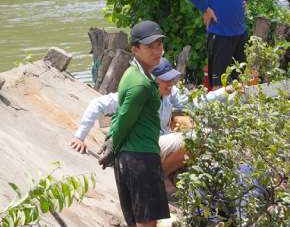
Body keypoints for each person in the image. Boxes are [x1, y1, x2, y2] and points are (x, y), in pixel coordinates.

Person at [71, 59, 229, 178]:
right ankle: (159, 179)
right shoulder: (138, 93)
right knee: (195, 137)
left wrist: (226, 91)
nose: (170, 84)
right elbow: (97, 103)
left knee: (202, 132)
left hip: (156, 144)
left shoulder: (170, 93)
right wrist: (80, 137)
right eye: (165, 80)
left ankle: (164, 175)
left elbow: (196, 103)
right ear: (152, 81)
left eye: (171, 80)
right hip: (137, 150)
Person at [108, 21, 169, 227]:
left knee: (134, 226)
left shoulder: (134, 75)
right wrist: (112, 145)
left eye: (160, 45)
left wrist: (114, 149)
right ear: (135, 49)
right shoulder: (141, 85)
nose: (157, 51)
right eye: (150, 46)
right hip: (141, 158)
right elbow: (123, 119)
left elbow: (120, 119)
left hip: (128, 158)